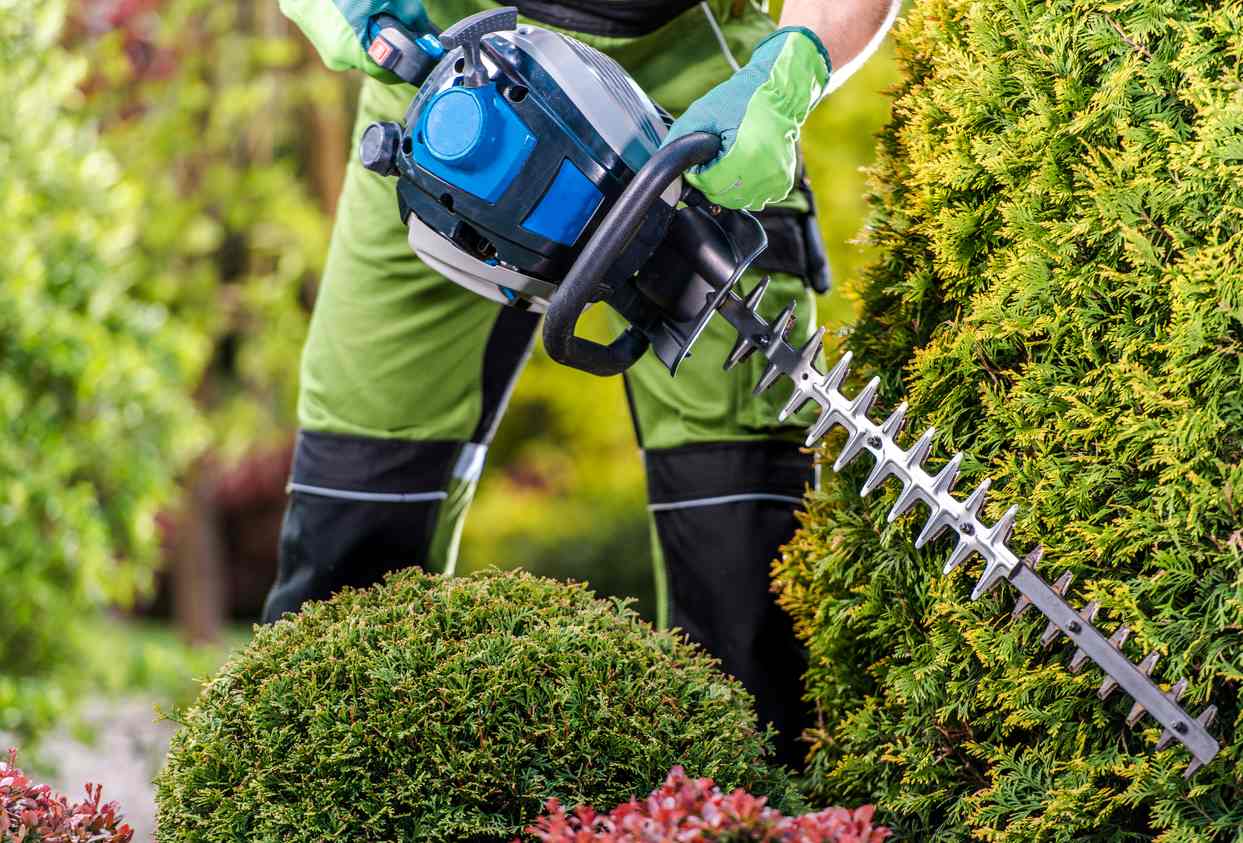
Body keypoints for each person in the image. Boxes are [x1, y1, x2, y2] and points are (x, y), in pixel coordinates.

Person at [267, 0, 900, 767]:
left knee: (749, 577)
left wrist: (794, 62)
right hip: (447, 90)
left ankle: (753, 811)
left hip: (691, 85)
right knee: (347, 528)